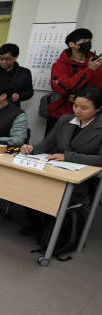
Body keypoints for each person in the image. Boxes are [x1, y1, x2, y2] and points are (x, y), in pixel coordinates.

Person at [20, 87, 102, 235]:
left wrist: (68, 157)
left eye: (84, 108)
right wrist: (32, 148)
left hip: (83, 178)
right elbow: (47, 144)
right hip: (57, 168)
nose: (78, 111)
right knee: (29, 187)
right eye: (75, 105)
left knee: (56, 196)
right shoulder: (65, 120)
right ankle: (38, 226)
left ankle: (53, 232)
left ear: (98, 108)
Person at [47, 28, 102, 135]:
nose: (88, 43)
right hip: (62, 113)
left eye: (89, 40)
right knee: (53, 147)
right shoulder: (59, 65)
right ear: (72, 44)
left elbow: (99, 88)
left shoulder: (97, 63)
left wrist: (82, 98)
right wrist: (89, 70)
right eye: (84, 41)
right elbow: (64, 87)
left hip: (91, 116)